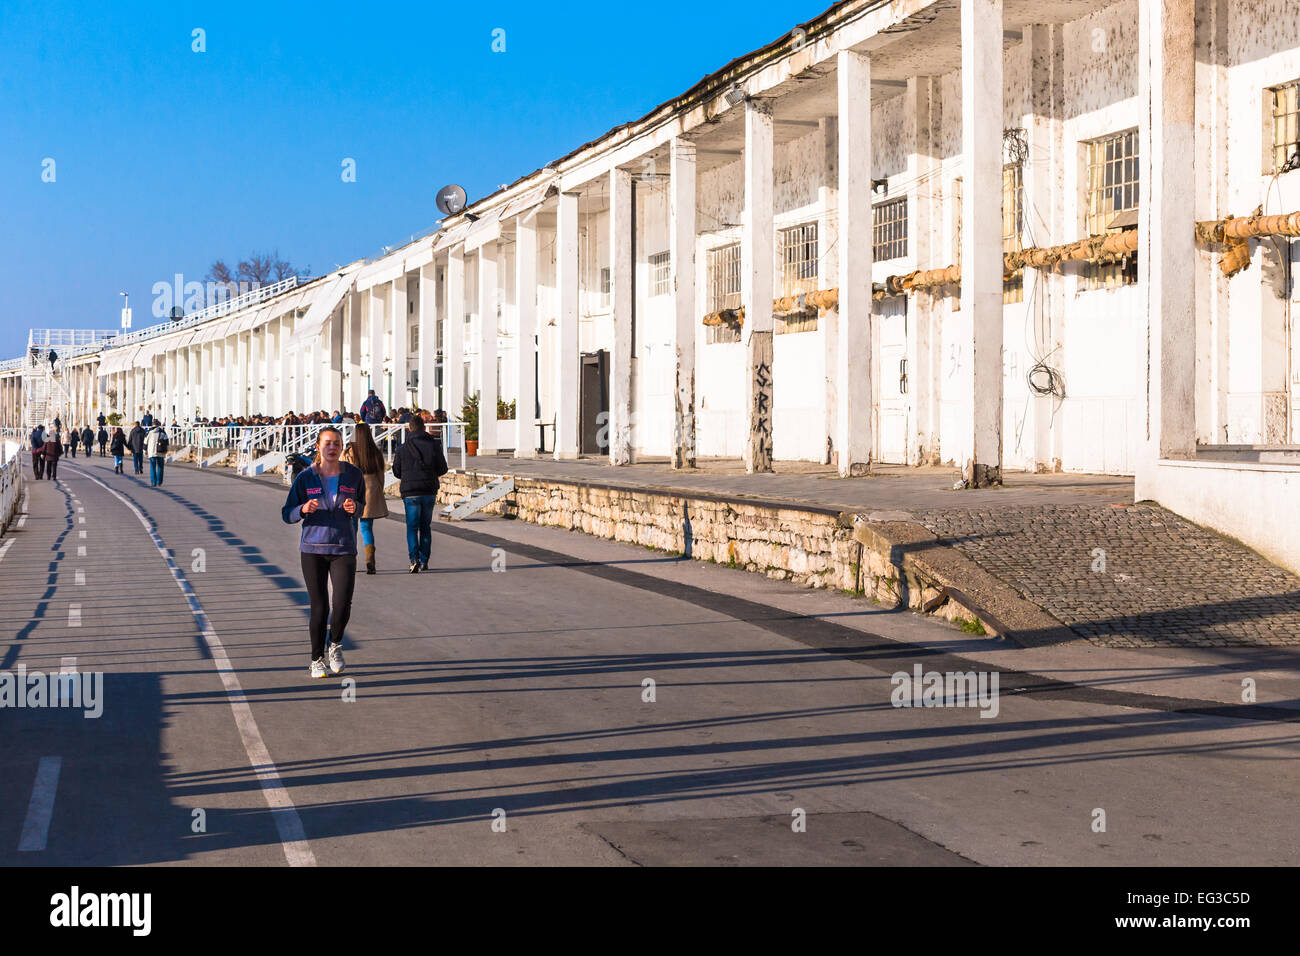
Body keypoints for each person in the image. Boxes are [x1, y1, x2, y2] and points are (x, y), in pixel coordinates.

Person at [282, 427, 363, 678]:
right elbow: (287, 513)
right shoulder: (305, 478)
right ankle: (316, 658)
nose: (332, 447)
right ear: (318, 447)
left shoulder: (353, 475)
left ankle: (335, 644)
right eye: (327, 443)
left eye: (336, 443)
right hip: (313, 549)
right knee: (319, 607)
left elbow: (362, 506)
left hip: (343, 547)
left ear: (341, 447)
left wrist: (354, 507)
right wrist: (303, 509)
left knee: (342, 603)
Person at [391, 416, 448, 573]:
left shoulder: (402, 448)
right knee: (425, 527)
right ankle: (424, 561)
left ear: (410, 429)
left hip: (410, 493)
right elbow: (443, 468)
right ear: (424, 428)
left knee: (411, 527)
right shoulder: (434, 445)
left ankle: (413, 559)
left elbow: (396, 471)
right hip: (429, 490)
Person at [341, 422, 389, 575]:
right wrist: (379, 490)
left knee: (352, 528)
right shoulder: (375, 452)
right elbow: (381, 475)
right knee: (367, 528)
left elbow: (341, 474)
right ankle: (370, 558)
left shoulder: (348, 452)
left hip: (352, 492)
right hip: (371, 489)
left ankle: (352, 560)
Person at [145, 422, 169, 487]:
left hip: (151, 451)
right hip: (160, 451)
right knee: (160, 467)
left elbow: (145, 442)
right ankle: (159, 482)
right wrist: (166, 450)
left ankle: (153, 482)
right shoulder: (162, 432)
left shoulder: (149, 432)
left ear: (152, 424)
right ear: (158, 425)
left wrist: (145, 451)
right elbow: (167, 442)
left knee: (152, 467)